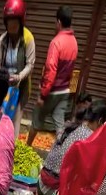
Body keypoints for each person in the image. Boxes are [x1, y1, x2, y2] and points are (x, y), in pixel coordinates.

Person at [26, 5, 77, 150]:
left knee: (37, 120)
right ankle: (62, 151)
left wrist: (43, 94)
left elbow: (51, 70)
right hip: (64, 91)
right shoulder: (74, 42)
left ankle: (27, 148)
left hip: (51, 91)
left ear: (59, 22)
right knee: (60, 124)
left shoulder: (56, 42)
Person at [38, 97, 106, 195]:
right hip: (54, 189)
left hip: (42, 181)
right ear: (101, 120)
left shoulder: (71, 125)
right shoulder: (90, 137)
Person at [0, 0, 35, 136]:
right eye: (9, 21)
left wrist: (19, 77)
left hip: (20, 87)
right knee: (1, 116)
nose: (11, 25)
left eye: (15, 21)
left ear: (21, 21)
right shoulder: (3, 39)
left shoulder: (28, 38)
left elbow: (30, 64)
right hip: (5, 84)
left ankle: (12, 147)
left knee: (16, 118)